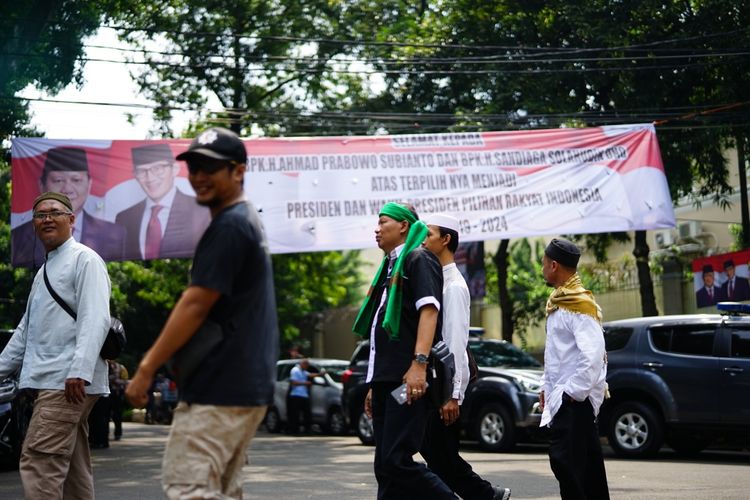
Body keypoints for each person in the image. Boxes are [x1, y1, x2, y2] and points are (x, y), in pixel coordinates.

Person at [126, 127, 279, 499]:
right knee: (223, 491)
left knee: (188, 487)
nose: (198, 177)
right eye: (193, 167)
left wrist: (146, 369)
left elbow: (196, 303)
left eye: (210, 168)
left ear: (238, 170)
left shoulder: (230, 226)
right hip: (243, 385)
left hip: (221, 386)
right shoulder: (243, 220)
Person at [0, 191, 112, 498]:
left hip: (65, 382)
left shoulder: (85, 260)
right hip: (57, 380)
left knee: (39, 461)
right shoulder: (44, 272)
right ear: (34, 225)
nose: (47, 218)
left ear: (71, 220)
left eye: (55, 212)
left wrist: (80, 369)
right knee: (74, 471)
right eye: (39, 215)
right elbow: (25, 332)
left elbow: (96, 318)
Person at [353, 201, 456, 499]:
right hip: (388, 381)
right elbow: (380, 334)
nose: (377, 228)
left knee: (397, 460)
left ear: (403, 226)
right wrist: (374, 384)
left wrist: (419, 364)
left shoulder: (418, 258)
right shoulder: (390, 267)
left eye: (383, 221)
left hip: (407, 380)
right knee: (385, 466)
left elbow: (429, 312)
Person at [421, 214, 511, 500]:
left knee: (441, 457)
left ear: (445, 240)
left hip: (442, 388)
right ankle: (488, 495)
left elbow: (456, 344)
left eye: (429, 234)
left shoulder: (454, 286)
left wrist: (453, 395)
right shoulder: (436, 279)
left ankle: (488, 496)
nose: (422, 239)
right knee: (438, 457)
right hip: (434, 385)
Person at [539, 238, 609, 500]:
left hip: (575, 403)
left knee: (569, 467)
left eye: (544, 264)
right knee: (583, 472)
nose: (542, 269)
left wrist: (571, 394)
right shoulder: (560, 301)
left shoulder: (580, 304)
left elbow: (593, 356)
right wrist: (547, 388)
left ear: (554, 265)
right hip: (564, 400)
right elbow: (557, 355)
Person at [11, 146, 126, 267]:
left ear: (89, 184)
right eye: (58, 180)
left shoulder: (114, 234)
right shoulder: (19, 236)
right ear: (42, 185)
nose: (67, 189)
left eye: (76, 180)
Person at [115, 143, 210, 260]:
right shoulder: (124, 218)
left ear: (175, 169)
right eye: (141, 171)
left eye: (157, 169)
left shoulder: (202, 212)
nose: (150, 178)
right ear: (135, 175)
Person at [287, 359, 323, 435]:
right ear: (303, 364)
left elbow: (310, 374)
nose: (307, 367)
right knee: (295, 414)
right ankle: (294, 430)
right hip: (296, 395)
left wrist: (320, 374)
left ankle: (307, 430)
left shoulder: (303, 371)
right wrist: (305, 383)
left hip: (304, 395)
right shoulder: (295, 370)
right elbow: (293, 382)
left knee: (307, 413)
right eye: (306, 365)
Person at [108, 360, 129, 441]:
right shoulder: (118, 367)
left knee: (117, 415)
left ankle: (118, 433)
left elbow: (124, 380)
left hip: (116, 394)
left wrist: (112, 379)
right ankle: (110, 434)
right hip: (110, 393)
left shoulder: (120, 367)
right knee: (107, 415)